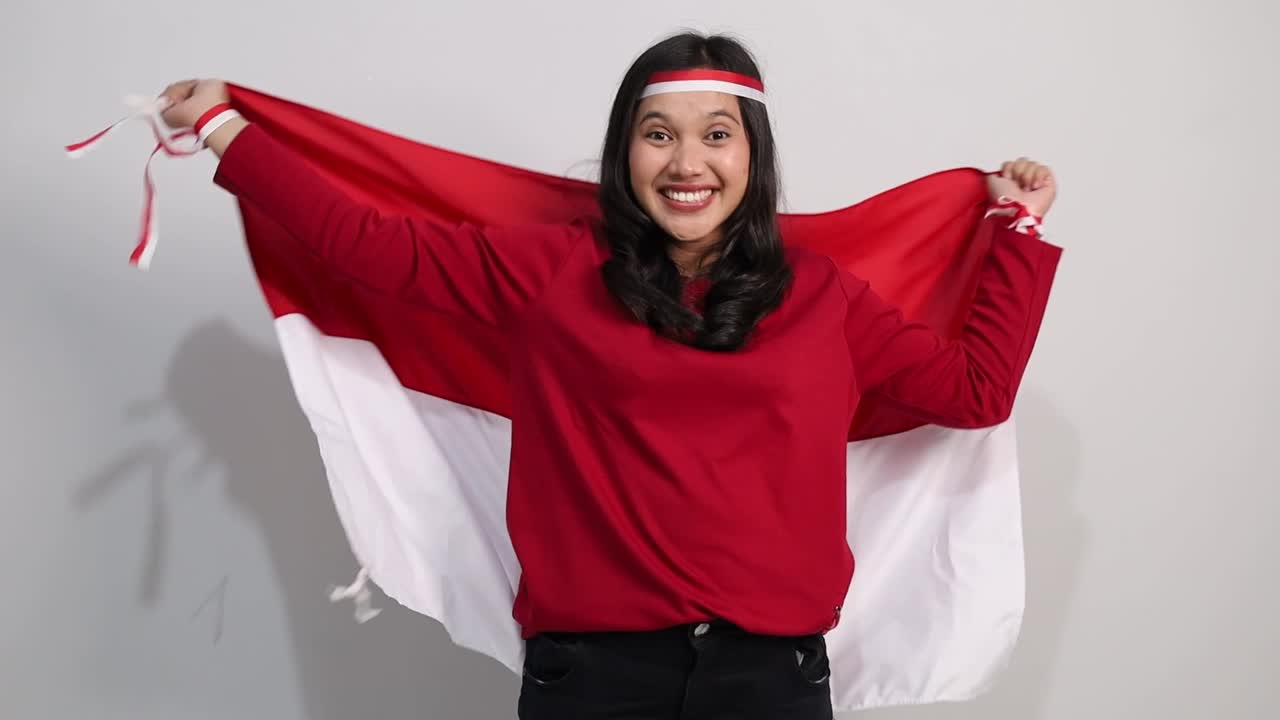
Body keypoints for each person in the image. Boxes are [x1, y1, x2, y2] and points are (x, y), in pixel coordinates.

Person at [157, 31, 1058, 720]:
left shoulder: (823, 295)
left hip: (771, 679)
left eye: (717, 135)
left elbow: (974, 392)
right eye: (656, 134)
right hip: (592, 676)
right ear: (626, 153)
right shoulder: (553, 272)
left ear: (752, 154)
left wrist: (1017, 232)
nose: (687, 162)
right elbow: (369, 248)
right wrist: (225, 130)